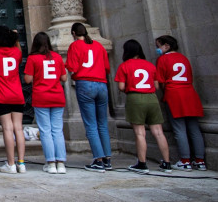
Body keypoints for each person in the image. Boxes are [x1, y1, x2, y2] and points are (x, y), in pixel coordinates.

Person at [114, 39, 171, 174]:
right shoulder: (150, 65)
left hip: (135, 97)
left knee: (140, 132)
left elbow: (121, 87)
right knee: (158, 132)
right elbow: (156, 86)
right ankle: (167, 163)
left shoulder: (125, 66)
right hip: (151, 97)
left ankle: (142, 163)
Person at [155, 35, 206, 171]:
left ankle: (185, 160)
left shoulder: (163, 59)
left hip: (174, 94)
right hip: (190, 93)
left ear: (166, 46)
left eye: (158, 46)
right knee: (194, 129)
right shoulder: (184, 58)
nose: (157, 49)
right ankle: (200, 161)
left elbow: (161, 81)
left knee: (179, 129)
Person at [66, 22, 112, 172]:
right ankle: (107, 159)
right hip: (102, 85)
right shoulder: (98, 46)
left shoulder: (75, 46)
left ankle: (98, 160)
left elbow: (72, 67)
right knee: (102, 123)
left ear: (73, 33)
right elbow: (107, 67)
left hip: (85, 84)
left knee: (91, 124)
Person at [24, 32, 67, 174]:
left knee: (45, 131)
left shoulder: (33, 58)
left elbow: (28, 79)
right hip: (57, 97)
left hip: (41, 97)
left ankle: (51, 163)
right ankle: (61, 163)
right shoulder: (57, 57)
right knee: (57, 130)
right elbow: (64, 78)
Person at [0, 25, 25, 174]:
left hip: (1, 94)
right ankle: (22, 162)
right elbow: (19, 53)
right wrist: (16, 40)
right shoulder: (16, 53)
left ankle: (11, 163)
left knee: (7, 128)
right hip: (17, 94)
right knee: (19, 128)